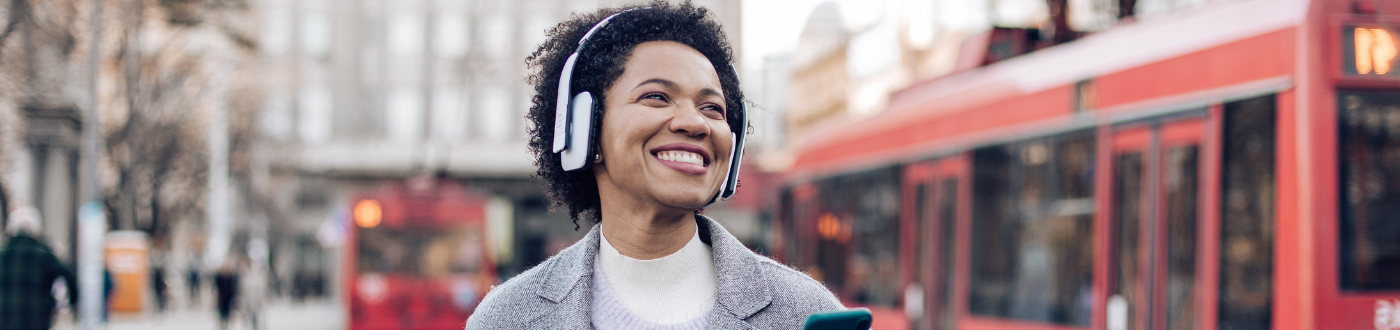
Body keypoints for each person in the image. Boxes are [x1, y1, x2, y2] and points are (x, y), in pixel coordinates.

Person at [465, 2, 842, 328]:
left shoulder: (807, 314)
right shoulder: (505, 318)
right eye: (657, 97)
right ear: (585, 131)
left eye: (712, 107)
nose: (694, 122)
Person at [0, 206, 77, 330]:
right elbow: (69, 276)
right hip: (37, 319)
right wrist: (72, 301)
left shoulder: (3, 255)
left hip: (6, 318)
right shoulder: (44, 255)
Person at [213, 260, 239, 330]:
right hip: (222, 298)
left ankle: (226, 324)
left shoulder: (231, 277)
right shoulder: (219, 277)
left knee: (228, 313)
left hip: (229, 298)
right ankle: (222, 324)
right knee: (222, 313)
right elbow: (216, 287)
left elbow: (233, 288)